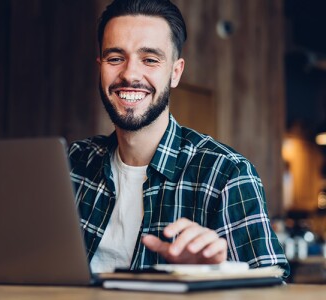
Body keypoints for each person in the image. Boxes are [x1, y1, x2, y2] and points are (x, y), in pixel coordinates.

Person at [68, 0, 289, 276]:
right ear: (100, 66)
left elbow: (275, 290)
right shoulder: (71, 164)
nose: (130, 74)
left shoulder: (226, 174)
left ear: (175, 72)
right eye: (115, 58)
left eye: (150, 59)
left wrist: (216, 277)